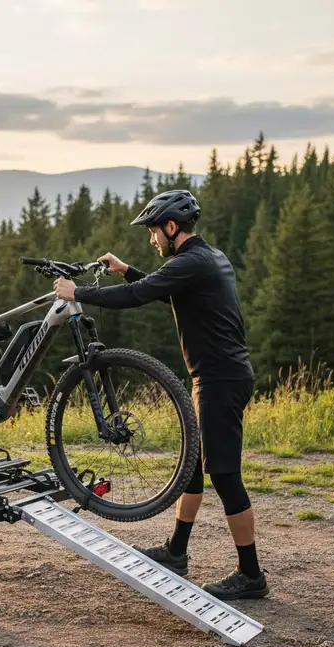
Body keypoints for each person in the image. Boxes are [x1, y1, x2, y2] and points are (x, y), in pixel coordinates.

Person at [53, 189, 268, 600]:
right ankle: (176, 552)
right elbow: (160, 287)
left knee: (224, 475)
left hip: (221, 381)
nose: (152, 240)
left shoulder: (189, 262)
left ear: (172, 227)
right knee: (194, 467)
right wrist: (126, 269)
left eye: (154, 231)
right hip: (220, 376)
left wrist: (77, 293)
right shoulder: (207, 258)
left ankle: (251, 574)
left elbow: (139, 296)